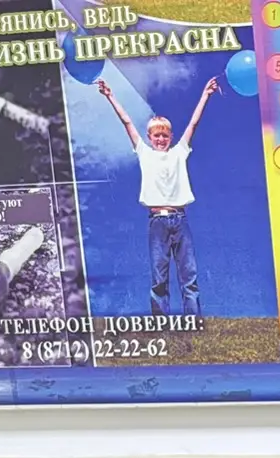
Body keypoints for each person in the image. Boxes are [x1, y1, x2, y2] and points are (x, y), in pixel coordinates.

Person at [95, 76, 218, 318]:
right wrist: (110, 96)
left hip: (179, 219)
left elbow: (193, 123)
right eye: (156, 136)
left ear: (170, 137)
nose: (161, 139)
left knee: (189, 276)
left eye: (164, 135)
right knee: (159, 278)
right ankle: (161, 324)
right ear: (149, 138)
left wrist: (205, 95)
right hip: (157, 222)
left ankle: (193, 323)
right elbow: (127, 121)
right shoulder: (144, 153)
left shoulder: (179, 152)